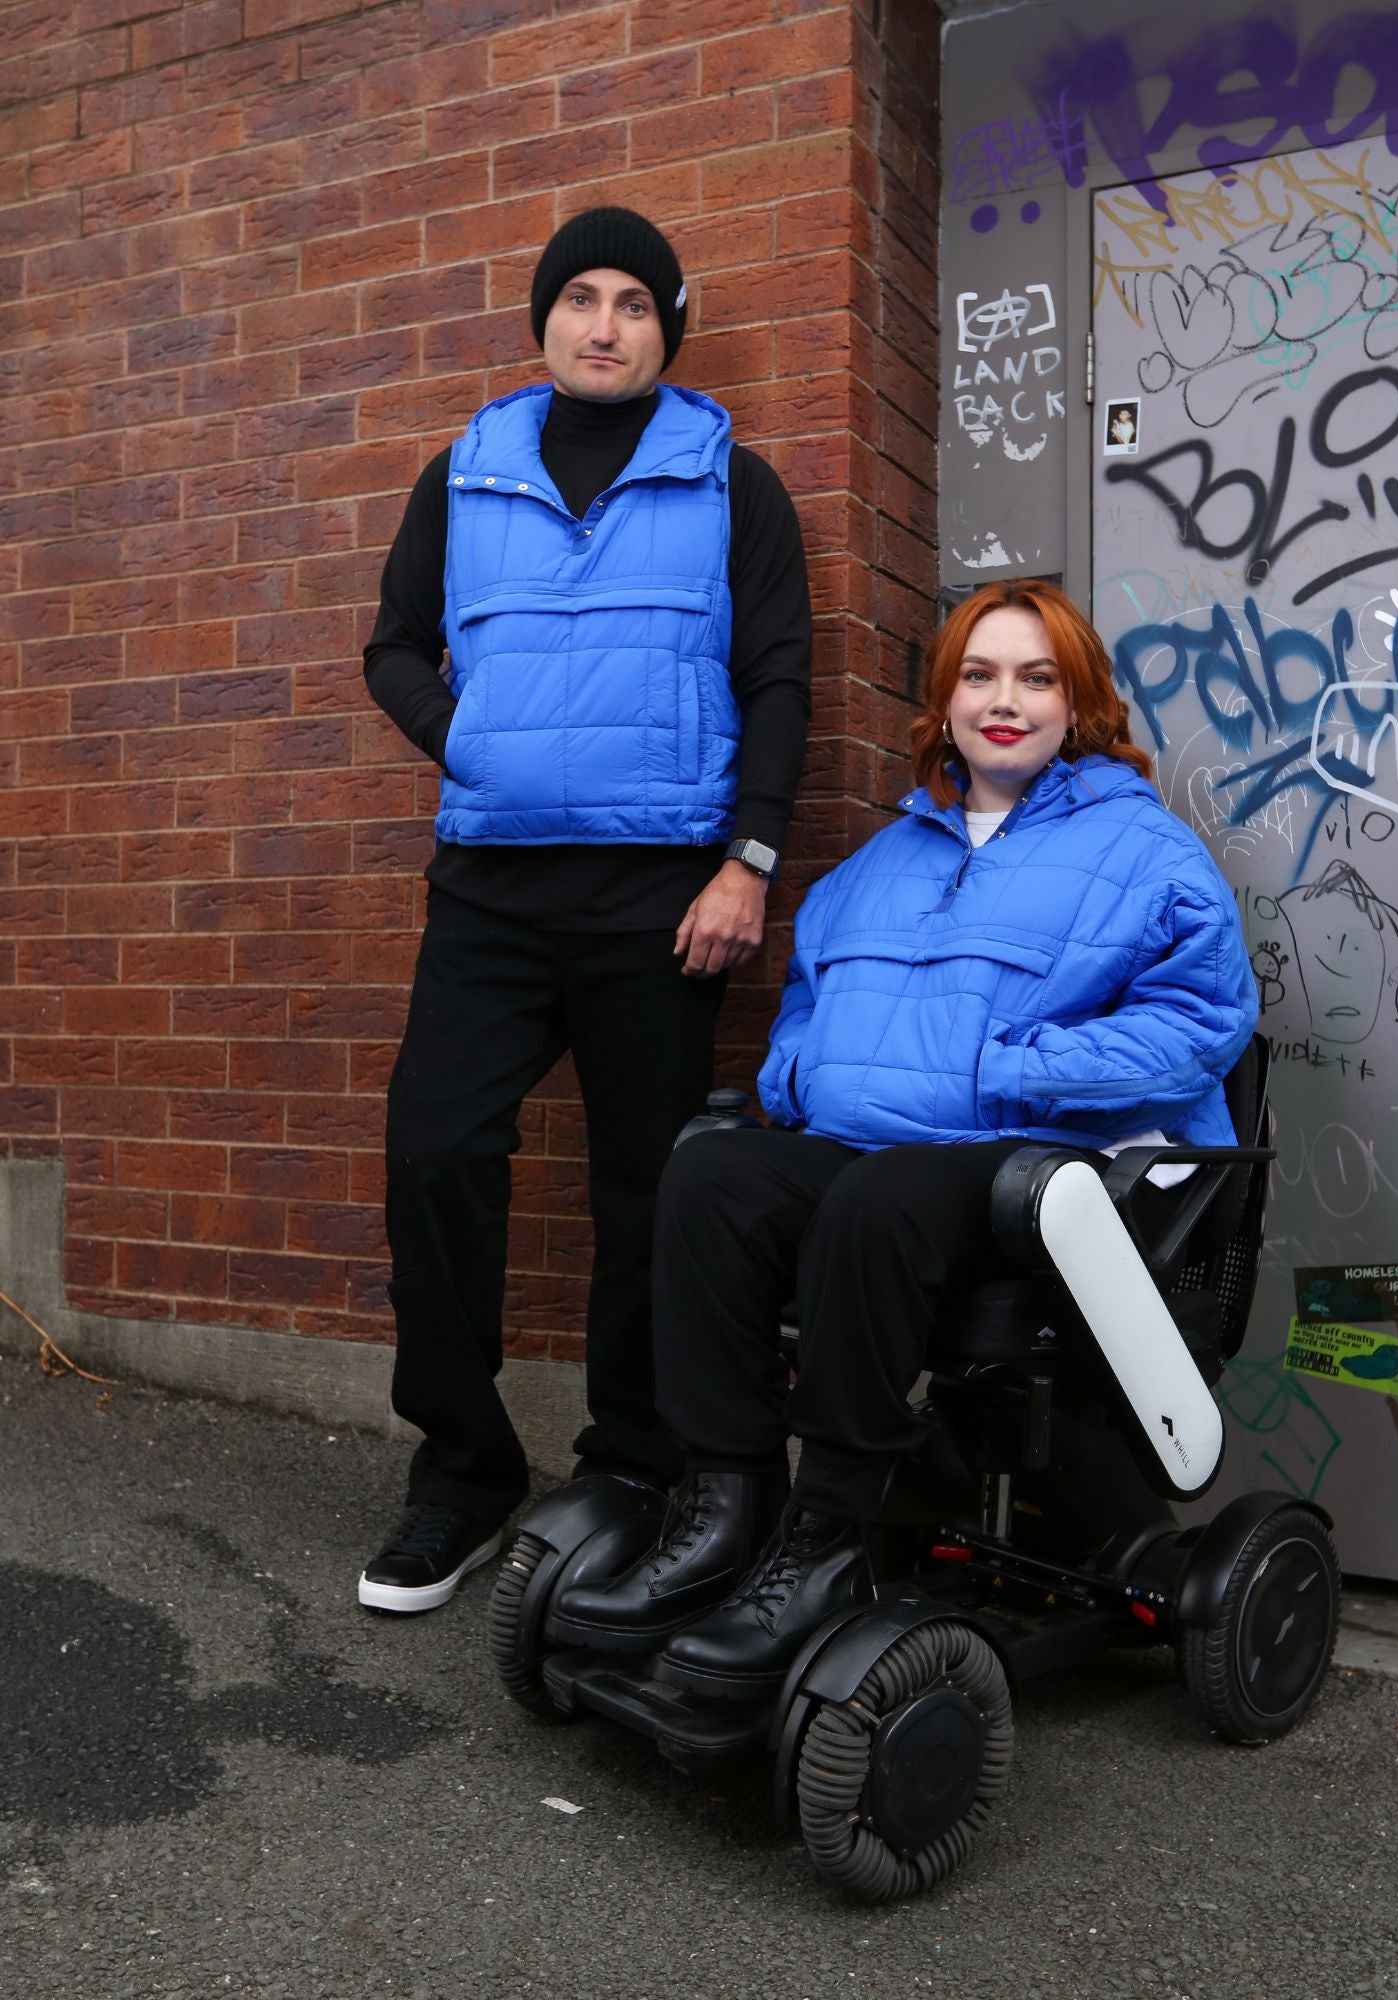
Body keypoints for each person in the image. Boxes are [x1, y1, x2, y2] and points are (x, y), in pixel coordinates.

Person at [553, 578, 1257, 1694]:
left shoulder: (1147, 853)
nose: (1005, 700)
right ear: (944, 700)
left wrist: (1001, 1071)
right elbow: (803, 1011)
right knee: (711, 1174)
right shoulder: (878, 863)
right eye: (979, 675)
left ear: (1078, 703)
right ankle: (730, 1507)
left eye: (1036, 677)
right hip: (882, 1153)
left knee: (874, 1200)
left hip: (1039, 1173)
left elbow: (1198, 1027)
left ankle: (828, 1539)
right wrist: (798, 1074)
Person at [358, 207, 812, 1613]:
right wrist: (470, 733)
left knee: (645, 1196)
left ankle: (629, 1466)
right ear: (543, 320)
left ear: (666, 328)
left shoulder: (734, 482)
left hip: (659, 898)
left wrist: (749, 861)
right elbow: (391, 647)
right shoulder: (468, 467)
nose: (604, 324)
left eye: (632, 302)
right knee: (435, 1152)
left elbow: (781, 677)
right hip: (489, 889)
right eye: (579, 300)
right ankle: (463, 1473)